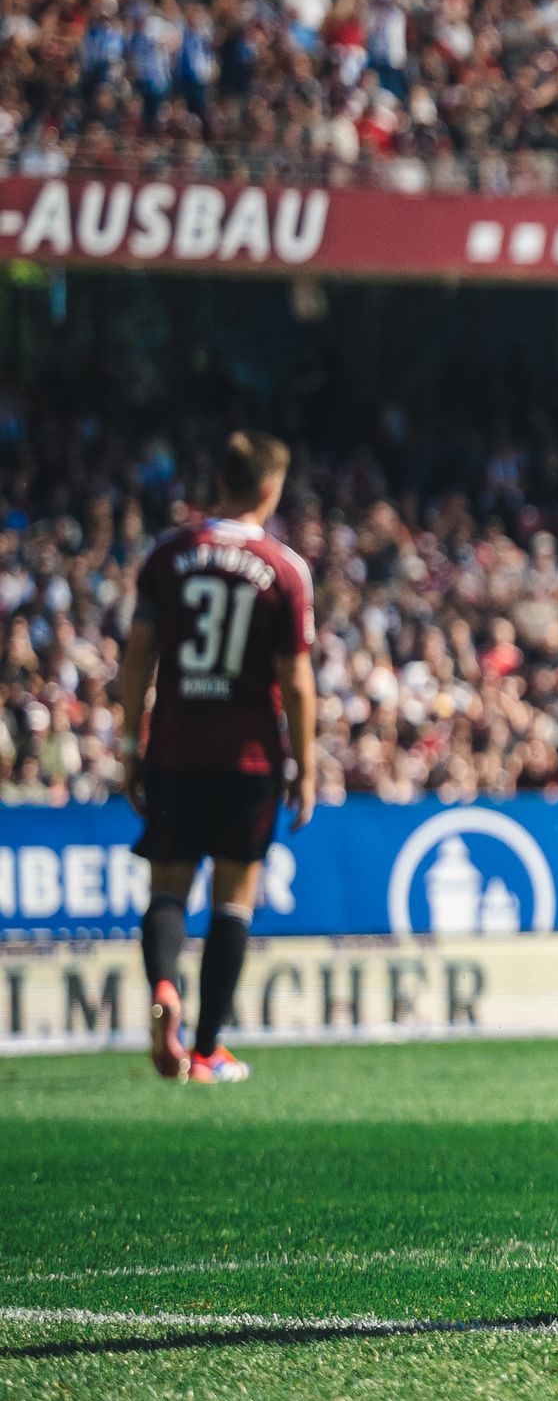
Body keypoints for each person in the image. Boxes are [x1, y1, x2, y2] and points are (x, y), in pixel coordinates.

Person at [115, 431, 317, 1084]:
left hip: (175, 745)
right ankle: (205, 1050)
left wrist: (128, 743)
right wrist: (306, 765)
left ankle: (164, 988)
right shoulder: (283, 569)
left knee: (168, 886)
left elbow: (137, 656)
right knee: (234, 898)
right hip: (249, 757)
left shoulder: (168, 554)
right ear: (269, 489)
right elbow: (297, 680)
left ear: (220, 481)